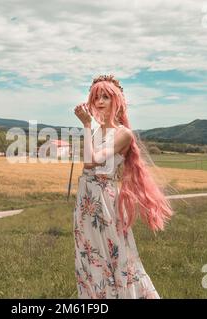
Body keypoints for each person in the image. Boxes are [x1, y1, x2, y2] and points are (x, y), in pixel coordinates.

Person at [73, 74, 174, 299]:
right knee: (87, 255)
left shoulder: (123, 134)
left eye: (105, 97)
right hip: (86, 198)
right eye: (95, 97)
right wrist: (90, 127)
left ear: (117, 101)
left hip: (105, 199)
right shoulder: (97, 131)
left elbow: (92, 160)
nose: (99, 101)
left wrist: (87, 124)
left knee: (111, 254)